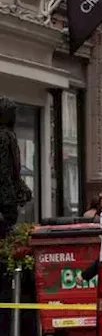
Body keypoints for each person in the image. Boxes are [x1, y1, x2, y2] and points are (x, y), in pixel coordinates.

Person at [0, 98, 32, 238]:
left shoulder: (9, 134)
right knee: (7, 225)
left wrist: (20, 185)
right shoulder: (4, 136)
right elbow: (4, 168)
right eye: (12, 113)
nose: (15, 117)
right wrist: (10, 191)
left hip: (8, 189)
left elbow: (14, 169)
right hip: (5, 191)